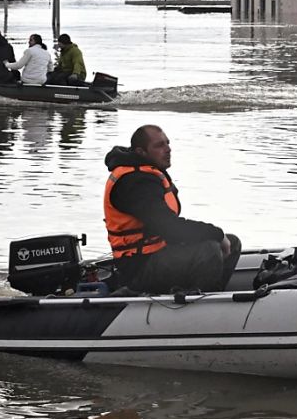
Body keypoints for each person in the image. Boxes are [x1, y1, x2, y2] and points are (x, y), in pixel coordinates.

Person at [102, 125, 242, 294]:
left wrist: (218, 236)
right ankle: (200, 305)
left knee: (231, 242)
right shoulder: (135, 183)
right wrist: (217, 234)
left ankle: (212, 294)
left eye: (167, 143)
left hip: (157, 252)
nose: (168, 150)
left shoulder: (146, 173)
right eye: (159, 146)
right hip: (138, 266)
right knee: (209, 250)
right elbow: (169, 228)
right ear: (141, 152)